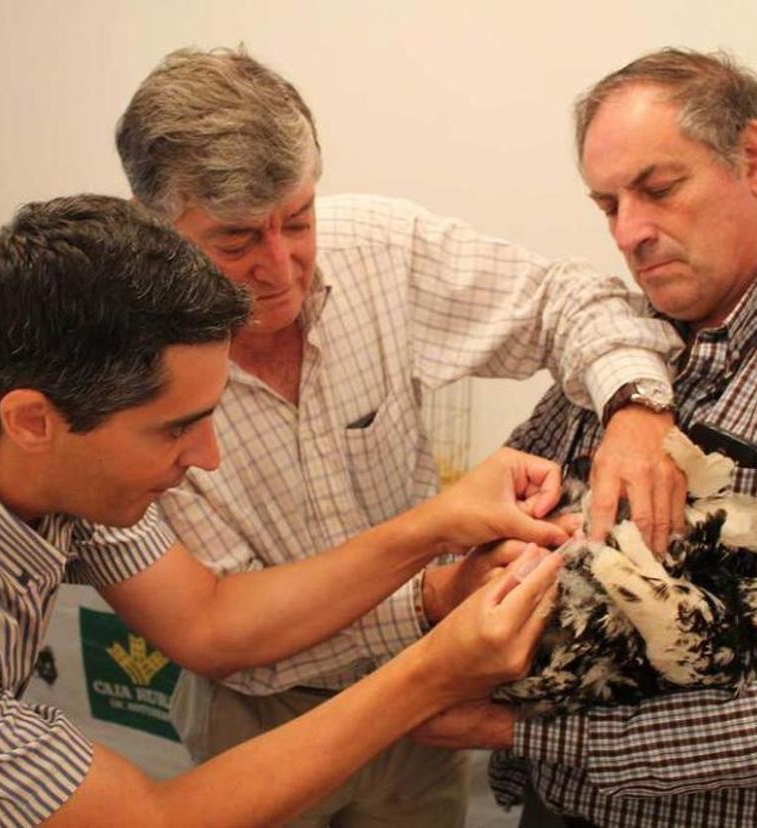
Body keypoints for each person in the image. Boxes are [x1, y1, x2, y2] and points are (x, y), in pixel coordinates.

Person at [0, 194, 577, 826]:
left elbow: (208, 620)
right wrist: (436, 671)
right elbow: (154, 818)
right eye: (174, 429)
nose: (207, 457)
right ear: (32, 420)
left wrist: (431, 528)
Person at [114, 46, 686, 826]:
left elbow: (568, 298)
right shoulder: (121, 366)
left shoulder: (380, 251)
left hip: (425, 711)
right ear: (159, 227)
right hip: (260, 721)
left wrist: (635, 406)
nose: (280, 266)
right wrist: (435, 592)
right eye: (237, 242)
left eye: (298, 219)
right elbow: (219, 629)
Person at [413, 49, 757, 827]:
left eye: (659, 189)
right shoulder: (618, 341)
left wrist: (515, 728)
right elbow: (497, 512)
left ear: (754, 159)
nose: (630, 232)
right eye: (607, 205)